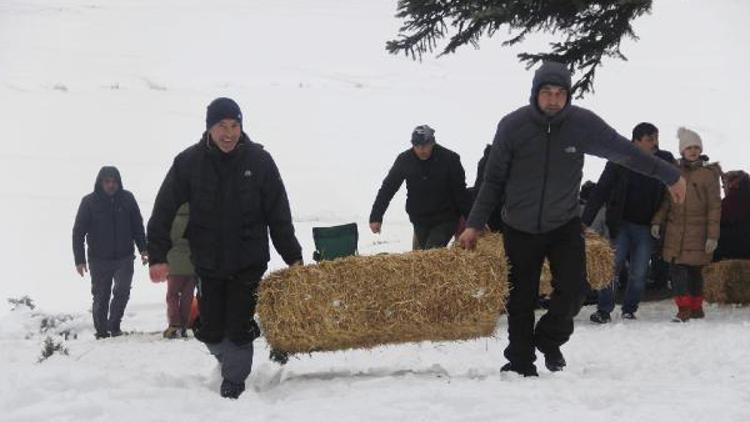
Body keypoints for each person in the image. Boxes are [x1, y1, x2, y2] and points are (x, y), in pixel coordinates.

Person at [458, 62, 685, 377]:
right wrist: (473, 223)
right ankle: (521, 361)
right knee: (521, 297)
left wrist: (669, 175)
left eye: (560, 93)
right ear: (535, 94)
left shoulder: (582, 125)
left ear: (568, 95)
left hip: (563, 224)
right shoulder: (513, 126)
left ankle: (549, 339)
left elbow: (625, 152)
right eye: (547, 93)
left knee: (576, 289)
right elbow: (493, 180)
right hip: (519, 226)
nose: (553, 100)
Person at [147, 97, 303, 399]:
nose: (229, 133)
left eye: (234, 125)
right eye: (222, 126)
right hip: (207, 260)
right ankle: (227, 361)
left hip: (248, 260)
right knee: (211, 329)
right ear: (209, 128)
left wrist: (293, 256)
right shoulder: (188, 163)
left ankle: (234, 382)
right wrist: (157, 255)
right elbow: (163, 210)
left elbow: (278, 213)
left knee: (238, 325)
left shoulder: (259, 161)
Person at [583, 122, 676, 323]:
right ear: (636, 141)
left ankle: (629, 309)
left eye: (656, 138)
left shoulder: (664, 160)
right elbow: (601, 190)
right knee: (611, 267)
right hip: (621, 224)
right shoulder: (620, 159)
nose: (655, 143)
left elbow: (677, 184)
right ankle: (604, 310)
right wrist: (584, 222)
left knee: (639, 272)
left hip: (647, 226)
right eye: (650, 139)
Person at [651, 127, 721, 322]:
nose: (693, 151)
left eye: (696, 147)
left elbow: (715, 207)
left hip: (698, 232)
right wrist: (657, 221)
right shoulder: (674, 172)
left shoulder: (708, 175)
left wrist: (712, 236)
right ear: (682, 151)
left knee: (695, 272)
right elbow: (667, 200)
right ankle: (684, 309)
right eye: (689, 147)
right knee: (677, 271)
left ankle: (696, 307)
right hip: (676, 231)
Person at [72, 166, 147, 339]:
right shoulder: (89, 202)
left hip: (125, 256)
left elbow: (137, 225)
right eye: (107, 182)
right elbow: (78, 232)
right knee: (101, 296)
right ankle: (101, 332)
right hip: (99, 259)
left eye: (114, 182)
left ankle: (114, 326)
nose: (111, 185)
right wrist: (79, 260)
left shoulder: (127, 199)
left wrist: (143, 248)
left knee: (122, 291)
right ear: (100, 183)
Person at [369, 125, 472, 250]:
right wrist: (376, 216)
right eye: (417, 145)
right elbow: (388, 188)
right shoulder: (404, 160)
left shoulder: (450, 159)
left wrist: (473, 222)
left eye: (425, 145)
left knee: (430, 253)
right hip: (419, 219)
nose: (421, 149)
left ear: (432, 142)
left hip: (446, 218)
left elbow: (461, 192)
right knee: (420, 258)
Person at [162, 203, 196, 339]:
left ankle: (174, 325)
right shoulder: (198, 217)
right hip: (193, 265)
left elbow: (165, 239)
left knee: (172, 295)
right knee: (187, 297)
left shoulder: (171, 219)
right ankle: (183, 326)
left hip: (175, 264)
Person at [714, 170, 750, 260]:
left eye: (724, 185)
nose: (724, 189)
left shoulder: (735, 198)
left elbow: (717, 218)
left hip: (740, 245)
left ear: (735, 183)